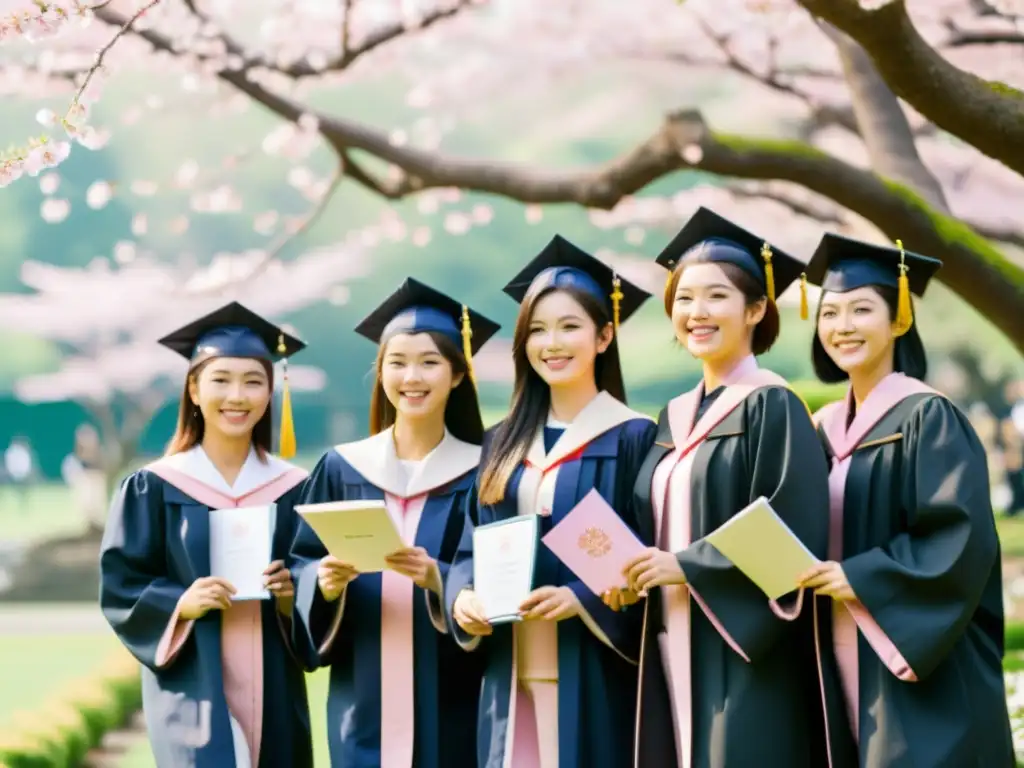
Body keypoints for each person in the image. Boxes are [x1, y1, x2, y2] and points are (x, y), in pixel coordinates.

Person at [613, 207, 834, 768]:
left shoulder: (772, 403)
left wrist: (687, 564)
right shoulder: (672, 415)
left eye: (716, 297)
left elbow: (791, 532)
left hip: (743, 649)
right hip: (666, 640)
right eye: (683, 300)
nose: (696, 313)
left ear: (756, 309)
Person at [797, 233, 1014, 766]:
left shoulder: (927, 417)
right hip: (836, 644)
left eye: (861, 309)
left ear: (898, 320)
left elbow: (958, 536)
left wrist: (862, 576)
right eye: (830, 313)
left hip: (914, 655)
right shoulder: (819, 429)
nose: (842, 326)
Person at [445, 235, 658, 768]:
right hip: (508, 667)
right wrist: (462, 597)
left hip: (595, 666)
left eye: (569, 327)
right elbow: (471, 542)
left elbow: (649, 550)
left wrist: (582, 598)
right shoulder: (501, 442)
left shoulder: (634, 437)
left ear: (604, 336)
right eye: (537, 330)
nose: (551, 343)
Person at [289, 278, 499, 768]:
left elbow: (496, 569)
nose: (412, 376)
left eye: (429, 362)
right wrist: (322, 584)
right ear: (380, 371)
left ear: (458, 375)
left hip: (454, 699)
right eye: (397, 362)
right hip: (361, 698)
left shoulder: (485, 472)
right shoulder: (342, 468)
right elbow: (302, 560)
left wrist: (440, 578)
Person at [99, 302, 313, 768]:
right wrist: (180, 603)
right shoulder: (154, 486)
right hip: (192, 686)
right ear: (193, 389)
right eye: (221, 379)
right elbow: (121, 586)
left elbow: (318, 581)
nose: (237, 395)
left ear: (270, 392)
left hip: (274, 684)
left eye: (253, 381)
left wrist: (292, 591)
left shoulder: (295, 488)